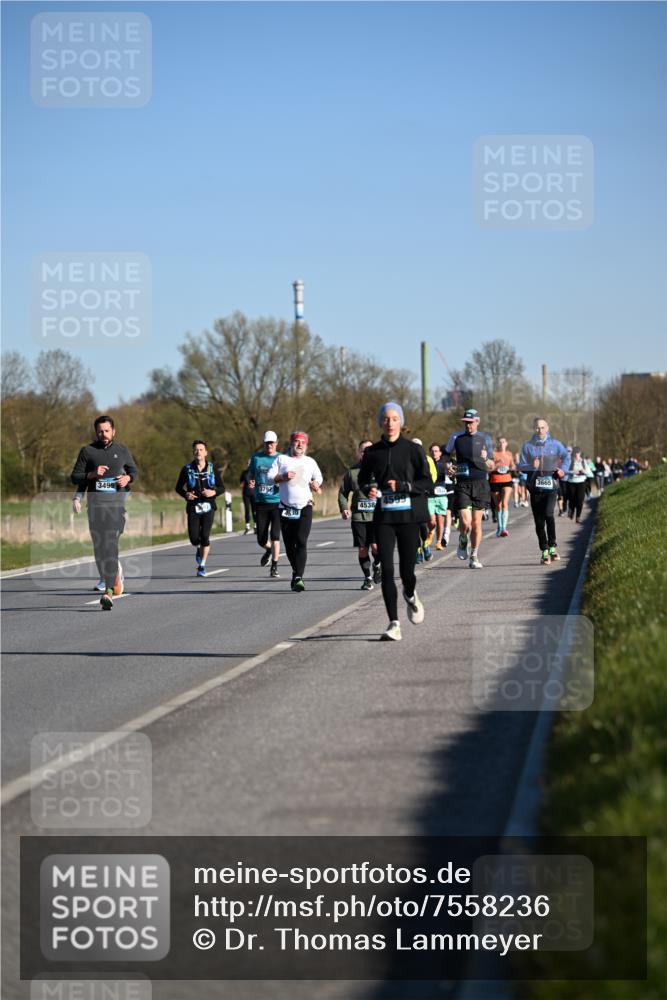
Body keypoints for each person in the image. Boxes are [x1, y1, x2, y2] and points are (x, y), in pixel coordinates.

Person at [358, 402, 432, 641]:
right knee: (387, 570)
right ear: (381, 422)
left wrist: (404, 486)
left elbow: (427, 482)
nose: (390, 423)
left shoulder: (413, 450)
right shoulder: (373, 452)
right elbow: (362, 479)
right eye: (386, 419)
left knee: (407, 571)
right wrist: (368, 489)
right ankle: (394, 623)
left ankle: (410, 594)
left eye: (394, 419)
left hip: (409, 517)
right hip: (384, 518)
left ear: (401, 422)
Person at [71, 415, 138, 610]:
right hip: (95, 507)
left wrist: (128, 479)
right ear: (96, 432)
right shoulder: (87, 451)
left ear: (113, 431)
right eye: (100, 431)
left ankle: (108, 591)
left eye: (107, 430)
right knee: (100, 548)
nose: (104, 434)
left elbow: (134, 472)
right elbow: (75, 477)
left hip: (115, 507)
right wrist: (91, 475)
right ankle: (114, 575)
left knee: (109, 544)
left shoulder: (122, 450)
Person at [266, 431, 323, 591]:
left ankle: (298, 577)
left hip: (305, 506)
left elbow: (318, 477)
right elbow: (269, 477)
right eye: (297, 441)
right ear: (291, 443)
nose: (299, 445)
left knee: (301, 541)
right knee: (290, 545)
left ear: (306, 445)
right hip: (285, 508)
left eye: (303, 442)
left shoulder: (310, 461)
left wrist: (316, 483)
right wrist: (282, 477)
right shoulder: (282, 459)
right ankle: (295, 571)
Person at [443, 409, 494, 569]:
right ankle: (463, 538)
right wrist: (448, 465)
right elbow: (445, 455)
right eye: (465, 422)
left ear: (477, 421)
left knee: (477, 523)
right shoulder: (456, 437)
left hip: (480, 483)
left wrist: (486, 458)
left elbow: (492, 465)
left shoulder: (485, 438)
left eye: (470, 422)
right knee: (465, 522)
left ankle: (474, 555)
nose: (468, 425)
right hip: (462, 483)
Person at [519, 418, 571, 565]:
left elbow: (566, 457)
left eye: (542, 427)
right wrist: (531, 465)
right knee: (539, 521)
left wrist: (563, 470)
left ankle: (552, 546)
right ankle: (545, 550)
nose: (540, 430)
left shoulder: (556, 444)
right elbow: (521, 466)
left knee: (549, 514)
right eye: (537, 427)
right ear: (533, 429)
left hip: (551, 486)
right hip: (535, 488)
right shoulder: (527, 446)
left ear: (547, 428)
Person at [175, 440, 225, 577]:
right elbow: (178, 487)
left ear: (206, 452)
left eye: (201, 450)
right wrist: (186, 494)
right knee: (193, 538)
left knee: (205, 537)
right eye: (196, 450)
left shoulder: (212, 468)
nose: (198, 452)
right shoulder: (187, 469)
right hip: (193, 507)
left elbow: (222, 487)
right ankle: (198, 549)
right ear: (193, 452)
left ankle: (202, 565)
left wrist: (213, 492)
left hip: (209, 506)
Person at [338, 440, 381, 590]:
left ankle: (377, 564)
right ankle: (367, 578)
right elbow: (343, 493)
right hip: (358, 517)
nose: (367, 453)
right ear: (359, 453)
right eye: (363, 451)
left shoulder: (381, 470)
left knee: (376, 547)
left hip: (377, 517)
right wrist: (344, 508)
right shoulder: (352, 472)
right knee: (362, 549)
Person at [247, 431, 282, 579]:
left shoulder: (281, 458)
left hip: (277, 502)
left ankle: (274, 566)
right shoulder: (256, 458)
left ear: (276, 443)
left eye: (272, 443)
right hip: (261, 503)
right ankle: (268, 550)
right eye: (267, 443)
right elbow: (250, 474)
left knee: (275, 536)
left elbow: (287, 477)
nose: (270, 446)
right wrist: (251, 481)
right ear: (264, 443)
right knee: (261, 538)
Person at [412, 438, 437, 562]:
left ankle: (425, 545)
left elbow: (433, 475)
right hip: (410, 496)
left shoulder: (428, 459)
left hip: (423, 495)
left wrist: (426, 487)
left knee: (422, 525)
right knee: (413, 526)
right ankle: (417, 550)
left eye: (418, 446)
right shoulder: (406, 460)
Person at [489, 436, 514, 537]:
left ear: (506, 443)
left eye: (503, 442)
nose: (501, 444)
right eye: (500, 442)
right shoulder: (493, 454)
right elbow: (488, 468)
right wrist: (496, 465)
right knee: (498, 506)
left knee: (504, 503)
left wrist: (512, 467)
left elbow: (513, 466)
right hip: (495, 480)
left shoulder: (509, 454)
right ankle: (499, 527)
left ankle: (504, 528)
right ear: (498, 444)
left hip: (507, 480)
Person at [428, 443, 450, 549]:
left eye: (436, 451)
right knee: (432, 521)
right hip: (430, 496)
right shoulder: (426, 464)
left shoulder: (444, 464)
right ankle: (431, 531)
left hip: (441, 495)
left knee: (440, 521)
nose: (434, 453)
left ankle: (438, 542)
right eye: (432, 451)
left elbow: (450, 474)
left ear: (440, 453)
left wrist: (450, 471)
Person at [563, 447, 593, 523]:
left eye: (578, 453)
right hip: (571, 482)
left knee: (580, 499)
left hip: (581, 482)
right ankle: (571, 510)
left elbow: (589, 473)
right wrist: (573, 472)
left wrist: (583, 470)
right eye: (575, 453)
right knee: (572, 498)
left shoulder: (583, 461)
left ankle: (578, 516)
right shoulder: (570, 461)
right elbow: (565, 471)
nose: (577, 455)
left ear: (580, 453)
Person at [239, 465, 256, 534]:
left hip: (254, 493)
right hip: (246, 493)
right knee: (247, 510)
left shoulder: (255, 472)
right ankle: (247, 526)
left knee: (254, 510)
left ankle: (255, 526)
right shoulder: (244, 472)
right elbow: (241, 482)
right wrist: (242, 484)